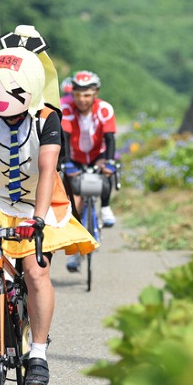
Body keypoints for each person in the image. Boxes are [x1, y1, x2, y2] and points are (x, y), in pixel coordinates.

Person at [0, 25, 97, 385]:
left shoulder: (46, 118)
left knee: (35, 270)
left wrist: (37, 219)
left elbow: (48, 170)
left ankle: (39, 354)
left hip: (39, 203)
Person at [60, 70, 118, 272]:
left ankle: (105, 208)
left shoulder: (104, 109)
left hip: (97, 154)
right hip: (74, 156)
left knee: (107, 174)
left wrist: (109, 162)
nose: (82, 100)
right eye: (77, 95)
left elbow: (110, 138)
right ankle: (75, 253)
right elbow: (64, 138)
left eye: (87, 95)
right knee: (74, 204)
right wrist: (66, 163)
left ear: (95, 93)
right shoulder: (65, 107)